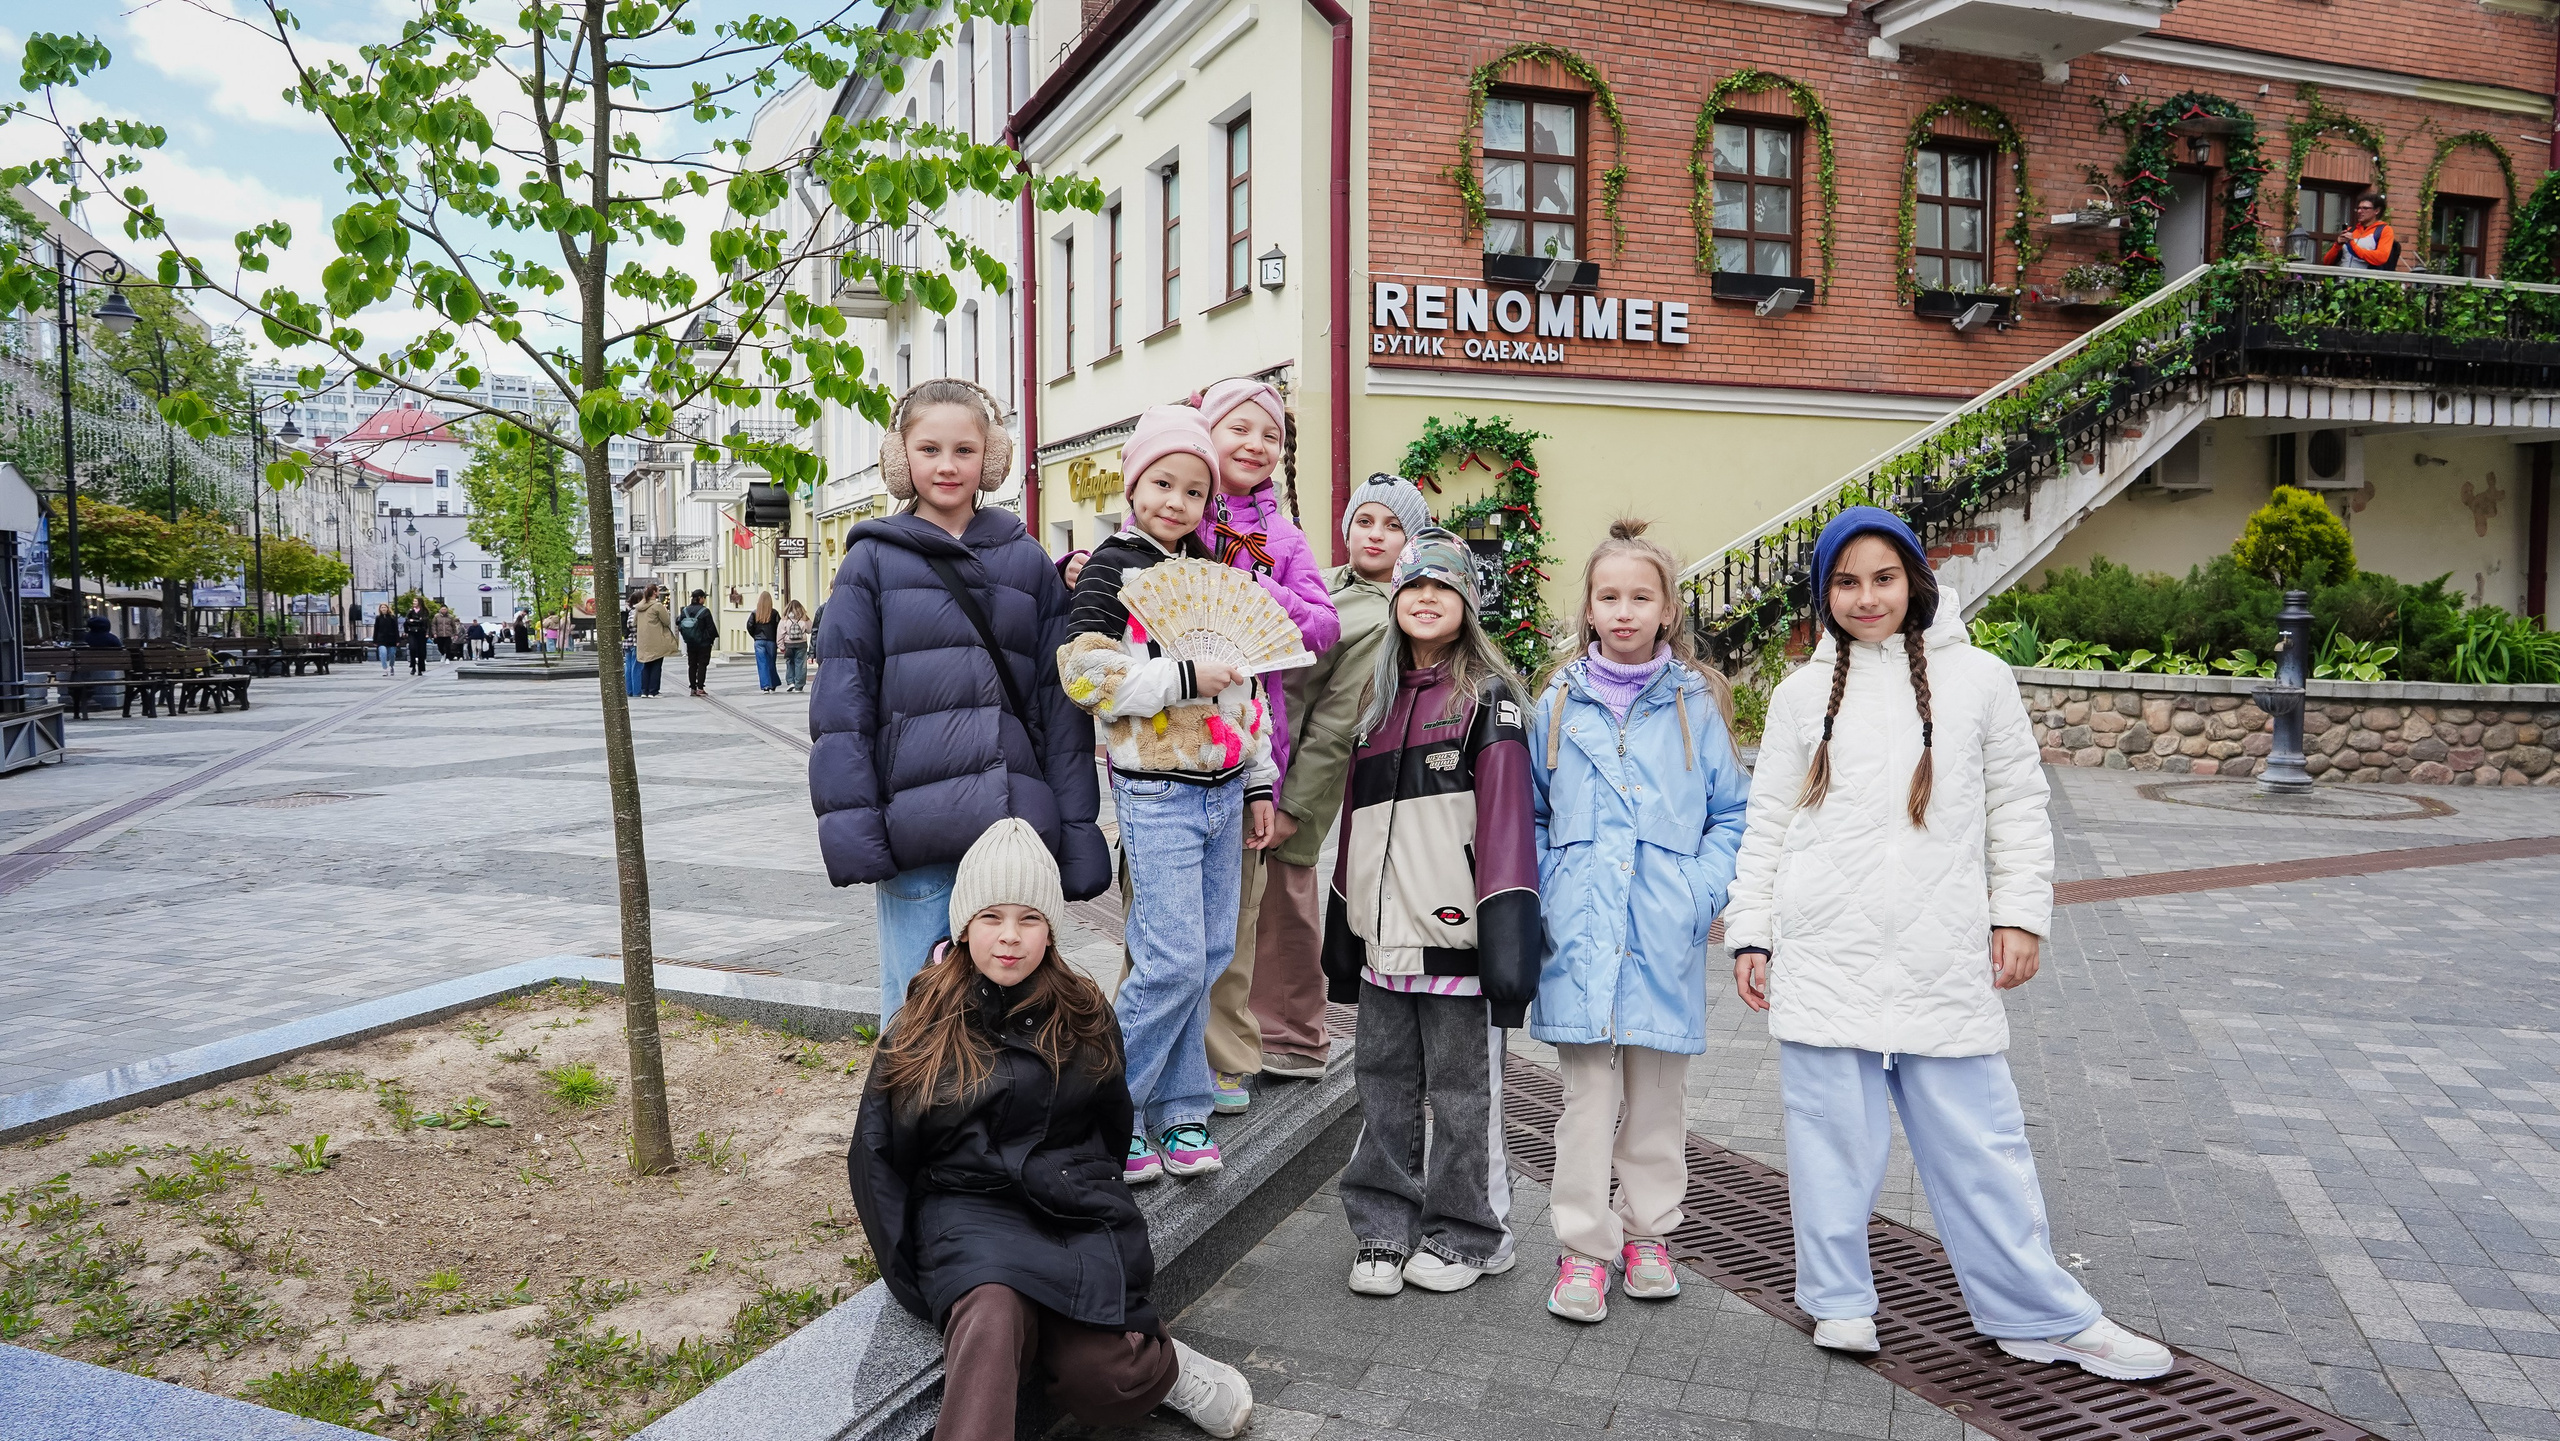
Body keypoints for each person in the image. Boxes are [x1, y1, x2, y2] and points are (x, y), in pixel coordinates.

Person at [1725, 507, 2173, 1380]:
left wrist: (2020, 914)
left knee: (1984, 1147)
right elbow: (1767, 823)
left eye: (1882, 578)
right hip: (1824, 953)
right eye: (1845, 582)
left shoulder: (1980, 680)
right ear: (1824, 594)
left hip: (1942, 957)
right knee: (1829, 1146)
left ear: (1915, 581)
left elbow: (2018, 805)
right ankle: (1839, 1301)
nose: (1865, 597)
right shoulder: (1797, 695)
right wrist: (1753, 932)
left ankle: (2037, 1312)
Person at [850, 819, 1254, 1441]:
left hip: (1067, 1205)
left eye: (1029, 919)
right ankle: (1014, 1321)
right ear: (963, 926)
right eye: (991, 918)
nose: (1009, 938)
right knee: (989, 1314)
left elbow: (1111, 1129)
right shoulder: (921, 1023)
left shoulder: (1085, 1012)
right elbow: (878, 1158)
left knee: (1106, 1377)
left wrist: (1094, 1205)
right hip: (968, 1211)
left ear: (1052, 929)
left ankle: (1164, 1369)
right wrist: (918, 1281)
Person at [812, 378, 1108, 1033]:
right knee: (918, 1008)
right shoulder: (869, 563)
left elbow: (1058, 715)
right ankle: (913, 1131)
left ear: (992, 459)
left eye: (965, 450)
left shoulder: (1027, 562)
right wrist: (856, 832)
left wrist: (1078, 835)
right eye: (930, 448)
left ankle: (996, 1133)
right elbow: (842, 709)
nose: (947, 465)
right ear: (900, 458)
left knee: (1009, 1013)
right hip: (917, 834)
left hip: (1011, 832)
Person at [1530, 518, 1752, 1324]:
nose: (1624, 611)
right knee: (1585, 1099)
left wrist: (1698, 891)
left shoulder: (1697, 703)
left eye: (1641, 597)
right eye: (1609, 596)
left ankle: (1649, 1231)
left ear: (1667, 611)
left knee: (1659, 1096)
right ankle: (1584, 1247)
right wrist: (1553, 886)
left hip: (1663, 929)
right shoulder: (1554, 704)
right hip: (1582, 929)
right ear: (1588, 608)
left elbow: (1734, 813)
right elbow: (1530, 813)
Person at [1059, 404, 1276, 1183]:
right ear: (1133, 481)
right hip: (1156, 794)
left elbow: (1243, 694)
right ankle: (1104, 1115)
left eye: (1192, 490)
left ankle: (1179, 1112)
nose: (1175, 501)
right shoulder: (1113, 570)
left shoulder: (1213, 574)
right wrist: (1181, 677)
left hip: (1224, 792)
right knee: (1169, 961)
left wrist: (1258, 783)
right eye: (1161, 483)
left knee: (1210, 955)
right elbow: (1086, 676)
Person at [1319, 529, 1537, 1297]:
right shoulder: (1378, 705)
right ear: (1395, 599)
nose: (1426, 597)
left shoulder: (1488, 699)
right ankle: (1383, 1227)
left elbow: (1510, 827)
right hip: (1384, 943)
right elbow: (1354, 826)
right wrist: (1342, 928)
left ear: (1468, 602)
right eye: (1414, 585)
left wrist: (1509, 940)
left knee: (1461, 1092)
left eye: (1444, 586)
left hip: (1460, 944)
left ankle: (1471, 1233)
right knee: (1380, 1078)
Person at [1184, 377, 1340, 1118]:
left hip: (1250, 754)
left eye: (1269, 435)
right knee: (1165, 919)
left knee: (1237, 924)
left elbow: (1322, 627)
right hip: (1166, 751)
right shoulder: (1177, 502)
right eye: (1239, 428)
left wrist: (1259, 593)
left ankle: (1223, 1062)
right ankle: (1160, 1058)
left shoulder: (1282, 539)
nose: (1254, 444)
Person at [1254, 475, 1426, 1080]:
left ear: (1412, 541)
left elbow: (1336, 723)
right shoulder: (1327, 584)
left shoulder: (1383, 615)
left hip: (1302, 774)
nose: (1374, 535)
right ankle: (1258, 1031)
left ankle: (1297, 1038)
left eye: (1392, 525)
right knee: (1259, 903)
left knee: (1286, 897)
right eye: (1365, 520)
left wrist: (1296, 805)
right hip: (1263, 758)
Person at [2322, 193, 2398, 271]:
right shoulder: (2351, 230)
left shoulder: (2384, 230)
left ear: (2377, 211)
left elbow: (2381, 258)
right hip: (2342, 280)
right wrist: (2337, 245)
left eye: (2365, 208)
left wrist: (2352, 244)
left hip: (2366, 281)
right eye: (2358, 208)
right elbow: (2327, 262)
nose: (2359, 211)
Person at [634, 584, 677, 698]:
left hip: (643, 641)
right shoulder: (657, 606)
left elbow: (634, 622)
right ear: (654, 592)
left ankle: (644, 690)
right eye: (657, 590)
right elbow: (666, 621)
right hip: (656, 639)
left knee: (646, 666)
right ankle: (654, 691)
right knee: (656, 666)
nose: (658, 592)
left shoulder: (639, 607)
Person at [677, 589, 717, 696]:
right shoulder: (705, 611)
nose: (704, 599)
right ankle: (700, 687)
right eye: (704, 597)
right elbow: (711, 628)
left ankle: (692, 688)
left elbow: (679, 623)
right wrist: (711, 639)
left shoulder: (685, 610)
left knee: (692, 664)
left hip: (690, 642)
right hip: (703, 643)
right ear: (700, 598)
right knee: (702, 664)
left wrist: (687, 635)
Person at [748, 591, 781, 692]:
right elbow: (779, 627)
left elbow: (749, 626)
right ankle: (773, 683)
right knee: (771, 663)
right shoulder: (774, 613)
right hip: (771, 641)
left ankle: (766, 686)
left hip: (759, 641)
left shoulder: (755, 613)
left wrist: (755, 636)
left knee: (762, 664)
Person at [779, 598, 811, 692]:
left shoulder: (785, 619)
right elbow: (810, 630)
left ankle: (790, 682)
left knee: (790, 662)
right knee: (800, 664)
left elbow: (780, 633)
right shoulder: (804, 618)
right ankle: (799, 685)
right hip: (801, 644)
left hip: (788, 644)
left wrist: (781, 645)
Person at [402, 601, 431, 676]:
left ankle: (420, 669)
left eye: (415, 601)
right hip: (412, 632)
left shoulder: (424, 611)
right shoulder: (411, 611)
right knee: (412, 648)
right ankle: (413, 666)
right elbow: (407, 621)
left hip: (421, 633)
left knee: (421, 651)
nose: (414, 602)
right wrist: (416, 621)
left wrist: (414, 621)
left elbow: (425, 622)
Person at [372, 603, 400, 674]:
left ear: (387, 608)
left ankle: (391, 666)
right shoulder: (378, 618)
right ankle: (385, 668)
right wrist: (374, 640)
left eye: (385, 607)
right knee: (383, 653)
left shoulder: (392, 618)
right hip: (381, 639)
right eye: (382, 608)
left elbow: (396, 629)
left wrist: (397, 640)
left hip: (391, 639)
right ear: (380, 609)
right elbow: (376, 629)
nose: (383, 609)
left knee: (392, 654)